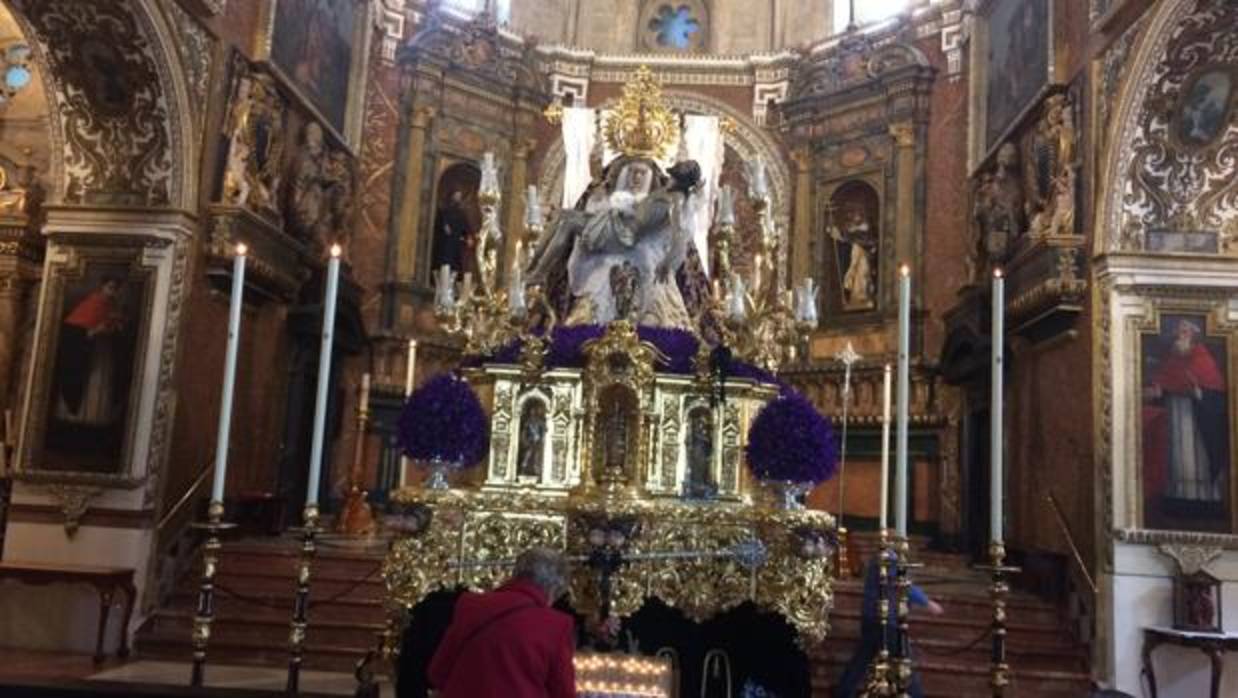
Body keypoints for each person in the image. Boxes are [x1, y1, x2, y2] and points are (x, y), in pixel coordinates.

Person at [428, 547, 576, 698]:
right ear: (553, 588)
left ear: (515, 574)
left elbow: (437, 673)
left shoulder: (470, 605)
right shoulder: (557, 625)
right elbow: (562, 692)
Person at [832, 554, 944, 698]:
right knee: (905, 662)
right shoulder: (887, 558)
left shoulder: (878, 559)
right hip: (884, 620)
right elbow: (901, 582)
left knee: (860, 661)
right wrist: (927, 603)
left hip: (871, 617)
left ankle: (843, 692)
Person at [1144, 319, 1227, 503]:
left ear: (1193, 333)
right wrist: (1158, 389)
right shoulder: (1173, 356)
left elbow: (1214, 388)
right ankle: (1178, 495)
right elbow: (1164, 381)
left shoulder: (1201, 355)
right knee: (1178, 454)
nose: (1181, 333)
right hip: (1176, 410)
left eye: (1185, 330)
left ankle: (1204, 496)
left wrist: (1199, 391)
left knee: (1196, 454)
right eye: (1179, 330)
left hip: (1196, 413)